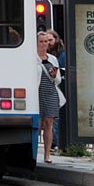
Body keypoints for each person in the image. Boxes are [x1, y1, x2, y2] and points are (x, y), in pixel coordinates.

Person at [36, 31, 61, 163]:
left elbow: (58, 81)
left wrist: (54, 75)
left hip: (50, 91)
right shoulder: (32, 57)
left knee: (49, 123)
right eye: (41, 41)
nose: (44, 44)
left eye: (46, 41)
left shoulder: (52, 58)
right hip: (37, 92)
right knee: (37, 124)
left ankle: (47, 155)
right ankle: (34, 153)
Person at [47, 29, 67, 152]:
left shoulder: (61, 55)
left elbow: (61, 71)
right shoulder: (47, 55)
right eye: (46, 40)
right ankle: (54, 142)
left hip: (58, 87)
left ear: (57, 40)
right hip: (50, 88)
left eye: (50, 40)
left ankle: (56, 142)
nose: (49, 43)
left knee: (55, 117)